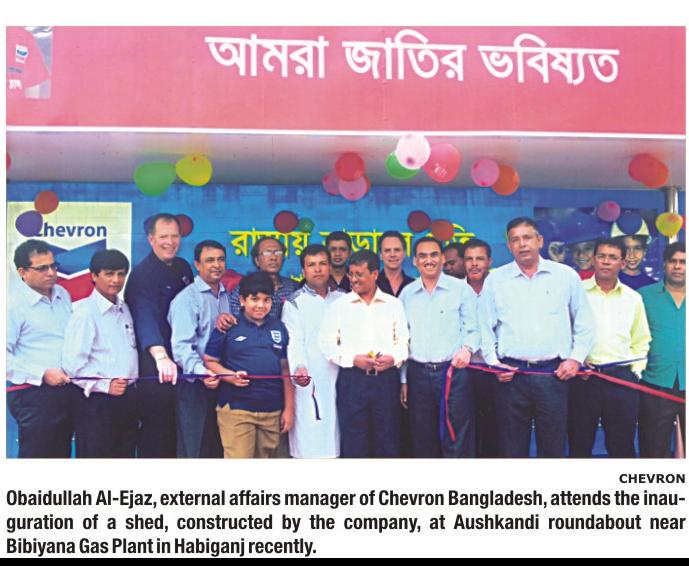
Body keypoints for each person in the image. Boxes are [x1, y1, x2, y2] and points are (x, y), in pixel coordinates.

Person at [479, 217, 595, 458]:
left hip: (553, 375)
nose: (522, 244)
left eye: (527, 238)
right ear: (509, 246)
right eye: (515, 240)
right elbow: (484, 327)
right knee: (512, 449)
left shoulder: (566, 276)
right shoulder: (496, 280)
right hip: (511, 376)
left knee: (552, 447)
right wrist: (493, 363)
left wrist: (575, 359)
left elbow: (584, 323)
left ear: (540, 241)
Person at [319, 250, 409, 458]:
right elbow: (327, 343)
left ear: (375, 274)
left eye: (359, 274)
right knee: (354, 442)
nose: (353, 279)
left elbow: (403, 342)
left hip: (386, 381)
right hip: (353, 380)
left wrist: (393, 359)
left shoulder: (393, 304)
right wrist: (353, 359)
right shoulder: (339, 306)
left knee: (387, 440)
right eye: (351, 274)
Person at [568, 238, 651, 458]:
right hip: (584, 378)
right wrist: (575, 360)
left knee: (622, 446)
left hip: (620, 380)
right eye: (601, 256)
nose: (606, 262)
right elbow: (563, 333)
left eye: (613, 258)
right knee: (579, 444)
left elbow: (641, 340)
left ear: (622, 263)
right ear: (593, 260)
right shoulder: (576, 292)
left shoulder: (633, 298)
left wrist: (635, 373)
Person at [399, 237, 479, 458]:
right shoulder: (407, 294)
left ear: (442, 258)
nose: (429, 260)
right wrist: (404, 379)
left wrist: (467, 349)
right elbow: (402, 339)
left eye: (434, 255)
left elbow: (474, 329)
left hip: (452, 374)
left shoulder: (460, 290)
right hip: (418, 375)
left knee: (457, 435)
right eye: (423, 256)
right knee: (422, 437)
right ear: (415, 261)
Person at [124, 213, 193, 458]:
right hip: (156, 367)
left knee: (182, 431)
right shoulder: (142, 275)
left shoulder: (183, 267)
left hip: (184, 363)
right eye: (164, 237)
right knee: (158, 432)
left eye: (175, 236)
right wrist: (161, 356)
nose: (170, 242)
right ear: (151, 239)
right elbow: (145, 317)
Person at [204, 272, 295, 458]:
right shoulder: (228, 325)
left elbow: (285, 369)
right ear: (242, 300)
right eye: (254, 299)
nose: (261, 305)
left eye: (266, 300)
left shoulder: (279, 327)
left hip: (271, 410)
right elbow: (210, 360)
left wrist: (288, 409)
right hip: (237, 409)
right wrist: (229, 376)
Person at [62, 249, 139, 458]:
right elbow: (72, 366)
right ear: (94, 276)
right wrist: (104, 385)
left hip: (127, 399)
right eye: (109, 274)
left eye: (121, 274)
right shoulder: (86, 313)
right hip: (97, 402)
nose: (116, 280)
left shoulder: (124, 308)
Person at [7, 239, 74, 458]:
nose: (51, 273)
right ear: (23, 272)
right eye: (42, 268)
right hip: (32, 395)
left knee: (61, 455)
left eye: (54, 266)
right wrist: (42, 374)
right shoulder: (12, 305)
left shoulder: (63, 294)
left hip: (65, 391)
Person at [281, 244, 345, 458]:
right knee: (309, 440)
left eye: (322, 264)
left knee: (339, 438)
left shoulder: (344, 299)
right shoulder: (294, 303)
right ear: (303, 270)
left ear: (330, 267)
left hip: (342, 378)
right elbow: (294, 342)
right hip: (308, 379)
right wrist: (299, 368)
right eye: (311, 265)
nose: (317, 269)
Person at [168, 240, 229, 458]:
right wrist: (202, 372)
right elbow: (181, 347)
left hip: (222, 383)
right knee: (195, 450)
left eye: (221, 260)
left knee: (219, 449)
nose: (216, 265)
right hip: (196, 384)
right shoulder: (187, 299)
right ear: (197, 264)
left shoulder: (226, 296)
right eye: (209, 260)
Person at [638, 241, 686, 458]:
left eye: (683, 262)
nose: (678, 266)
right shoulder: (643, 296)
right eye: (673, 261)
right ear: (664, 264)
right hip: (655, 380)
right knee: (653, 449)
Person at [462, 238, 499, 458]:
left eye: (480, 259)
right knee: (466, 427)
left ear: (489, 261)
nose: (474, 264)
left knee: (495, 428)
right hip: (463, 372)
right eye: (469, 259)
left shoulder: (500, 287)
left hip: (496, 372)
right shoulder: (454, 289)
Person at [229, 237, 298, 319]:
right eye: (267, 253)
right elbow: (237, 320)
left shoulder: (294, 287)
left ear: (283, 259)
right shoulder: (243, 289)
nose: (273, 257)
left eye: (278, 252)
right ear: (257, 260)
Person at [377, 230, 414, 297]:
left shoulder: (413, 286)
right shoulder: (372, 285)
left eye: (397, 250)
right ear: (380, 255)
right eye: (387, 250)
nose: (392, 254)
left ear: (404, 254)